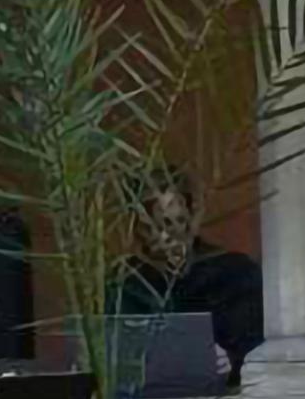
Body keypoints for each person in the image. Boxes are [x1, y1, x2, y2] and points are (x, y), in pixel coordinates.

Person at [111, 162, 265, 387]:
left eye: (173, 223)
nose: (163, 236)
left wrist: (232, 360)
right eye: (150, 226)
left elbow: (258, 351)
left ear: (191, 217)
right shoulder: (123, 281)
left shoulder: (235, 272)